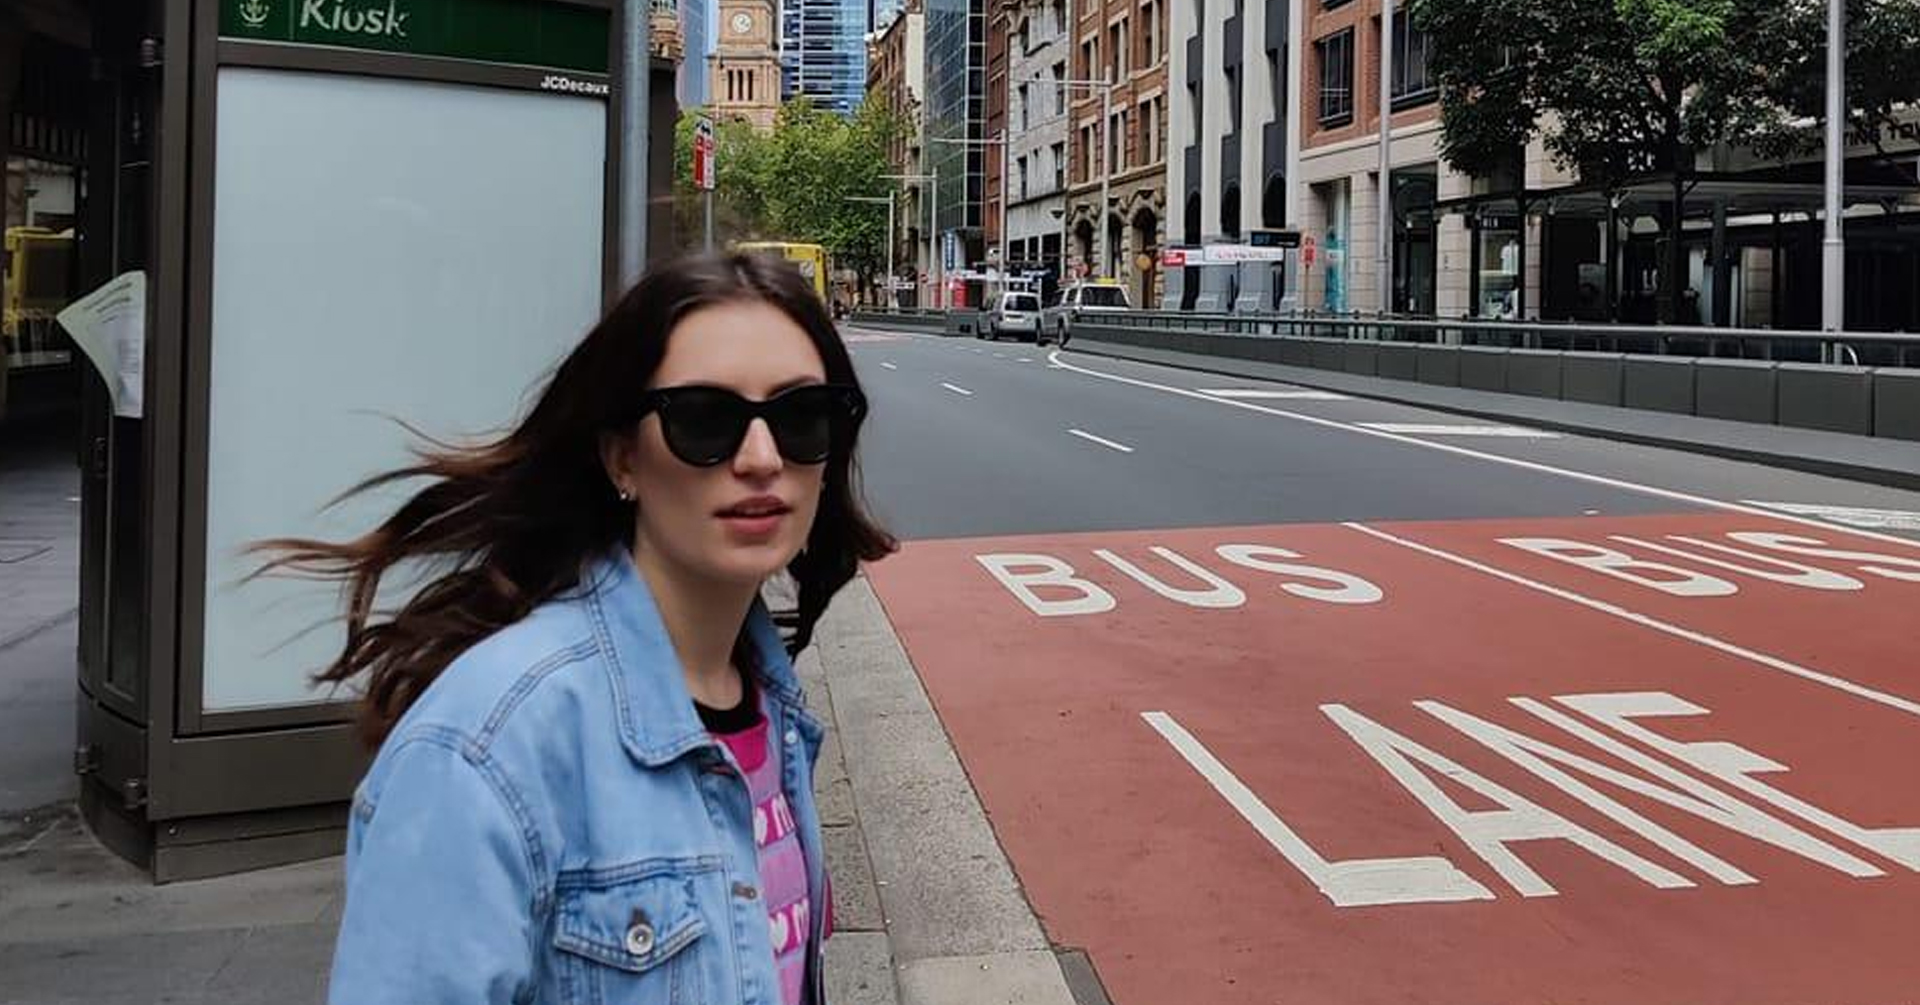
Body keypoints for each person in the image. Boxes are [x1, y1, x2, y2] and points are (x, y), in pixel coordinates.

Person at [260, 254, 896, 1005]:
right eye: (703, 420)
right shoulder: (488, 744)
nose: (762, 459)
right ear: (622, 457)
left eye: (800, 417)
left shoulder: (768, 703)